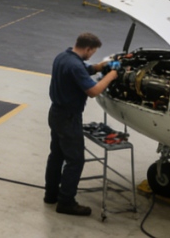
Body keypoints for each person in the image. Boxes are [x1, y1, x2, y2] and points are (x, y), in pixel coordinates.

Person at [44, 33, 120, 216]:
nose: (92, 55)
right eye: (92, 52)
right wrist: (111, 75)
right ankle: (66, 202)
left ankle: (51, 195)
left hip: (55, 114)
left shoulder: (63, 57)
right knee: (76, 160)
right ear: (88, 49)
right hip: (69, 118)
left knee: (57, 155)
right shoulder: (75, 65)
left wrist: (100, 67)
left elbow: (81, 69)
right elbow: (93, 91)